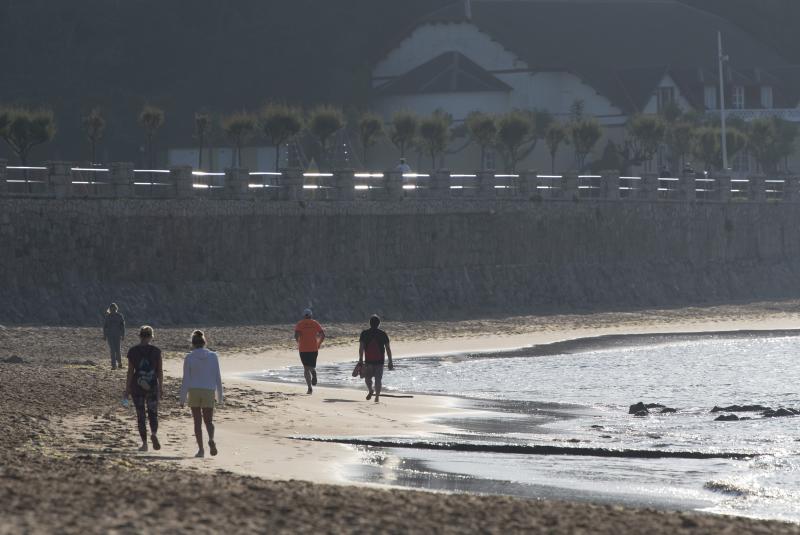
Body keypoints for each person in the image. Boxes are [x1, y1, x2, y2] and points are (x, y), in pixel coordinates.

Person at [179, 330, 223, 458]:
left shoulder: (189, 357)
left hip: (194, 391)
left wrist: (182, 399)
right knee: (209, 421)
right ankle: (211, 438)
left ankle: (201, 450)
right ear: (204, 342)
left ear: (193, 343)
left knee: (197, 422)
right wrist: (220, 397)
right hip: (208, 391)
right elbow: (217, 377)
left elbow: (186, 379)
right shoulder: (213, 356)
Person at [124, 325, 163, 452]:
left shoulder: (133, 351)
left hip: (137, 386)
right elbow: (160, 372)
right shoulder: (157, 351)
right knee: (153, 413)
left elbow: (130, 372)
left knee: (140, 415)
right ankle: (154, 434)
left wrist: (127, 389)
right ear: (151, 336)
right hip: (152, 386)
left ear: (140, 335)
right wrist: (160, 388)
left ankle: (145, 444)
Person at [358, 315, 393, 403]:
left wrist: (361, 359)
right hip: (379, 362)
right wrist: (390, 361)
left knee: (367, 379)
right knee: (378, 380)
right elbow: (388, 349)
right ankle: (377, 397)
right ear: (379, 324)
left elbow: (361, 348)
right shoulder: (383, 334)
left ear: (369, 323)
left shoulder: (364, 333)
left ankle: (370, 390)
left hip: (368, 361)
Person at [294, 308, 325, 394]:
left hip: (303, 349)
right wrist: (319, 344)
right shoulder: (315, 323)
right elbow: (323, 335)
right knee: (310, 366)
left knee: (306, 368)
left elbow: (296, 335)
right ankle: (313, 372)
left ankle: (309, 388)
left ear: (303, 316)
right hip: (313, 348)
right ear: (311, 315)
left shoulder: (300, 324)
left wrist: (299, 342)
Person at [102, 303, 126, 369]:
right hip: (110, 336)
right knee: (112, 350)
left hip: (117, 335)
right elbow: (105, 326)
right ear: (110, 309)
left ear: (116, 309)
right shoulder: (108, 316)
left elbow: (123, 326)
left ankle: (120, 363)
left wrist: (123, 335)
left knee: (117, 350)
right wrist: (104, 335)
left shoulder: (119, 316)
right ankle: (113, 365)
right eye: (111, 309)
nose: (113, 310)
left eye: (114, 309)